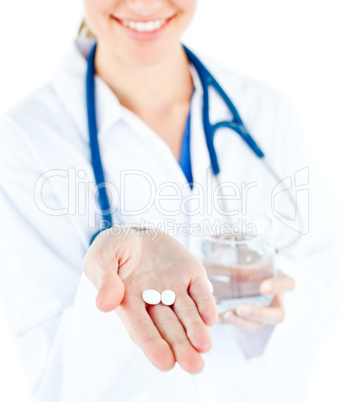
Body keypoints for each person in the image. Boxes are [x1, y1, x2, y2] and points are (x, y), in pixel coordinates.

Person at [0, 1, 340, 401]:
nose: (144, 4)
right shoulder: (24, 140)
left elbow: (324, 270)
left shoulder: (266, 112)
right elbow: (51, 370)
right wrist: (115, 299)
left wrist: (279, 296)